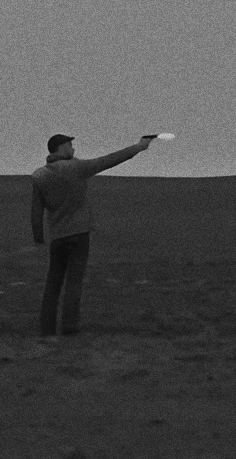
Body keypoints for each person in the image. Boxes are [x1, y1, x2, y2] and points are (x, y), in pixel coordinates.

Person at [30, 133, 153, 336]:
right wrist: (138, 147)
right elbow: (108, 160)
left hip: (57, 237)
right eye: (70, 145)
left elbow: (36, 210)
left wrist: (38, 237)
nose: (73, 149)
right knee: (74, 282)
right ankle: (69, 327)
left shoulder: (39, 176)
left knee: (53, 283)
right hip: (79, 235)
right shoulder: (77, 168)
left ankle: (47, 328)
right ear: (60, 148)